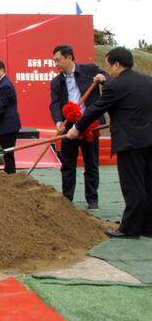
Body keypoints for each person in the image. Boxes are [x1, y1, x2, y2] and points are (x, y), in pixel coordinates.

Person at [67, 47, 152, 238]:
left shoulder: (116, 85)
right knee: (148, 184)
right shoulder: (147, 81)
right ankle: (148, 227)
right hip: (148, 140)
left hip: (130, 143)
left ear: (117, 64)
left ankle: (129, 229)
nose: (107, 70)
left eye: (108, 66)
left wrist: (76, 128)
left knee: (133, 186)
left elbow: (95, 109)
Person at [49, 45, 107, 209]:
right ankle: (67, 199)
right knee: (67, 164)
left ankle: (92, 200)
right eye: (54, 61)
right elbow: (54, 103)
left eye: (58, 60)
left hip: (90, 124)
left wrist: (102, 78)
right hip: (69, 126)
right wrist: (58, 121)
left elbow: (108, 77)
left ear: (69, 58)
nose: (56, 64)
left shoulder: (89, 70)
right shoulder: (56, 82)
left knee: (91, 163)